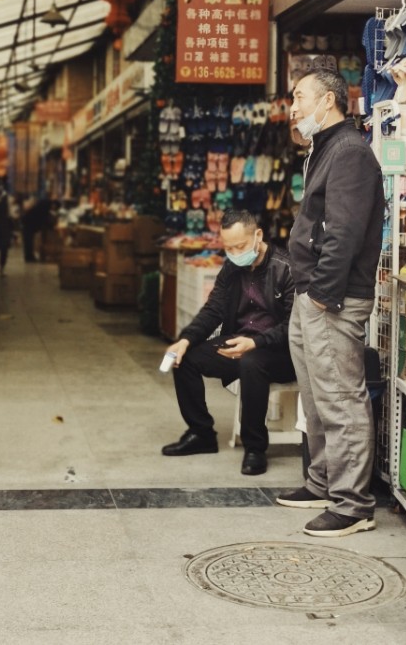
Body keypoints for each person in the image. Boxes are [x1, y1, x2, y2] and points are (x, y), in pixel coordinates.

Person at [277, 67, 384, 537]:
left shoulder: (349, 153)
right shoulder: (324, 149)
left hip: (332, 299)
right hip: (312, 294)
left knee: (340, 398)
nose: (293, 107)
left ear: (329, 101)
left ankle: (353, 504)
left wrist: (322, 293)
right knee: (317, 397)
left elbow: (344, 230)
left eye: (300, 97)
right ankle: (322, 481)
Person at [161, 209, 296, 475]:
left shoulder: (286, 268)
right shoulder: (233, 267)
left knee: (251, 362)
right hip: (239, 342)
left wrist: (256, 343)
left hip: (280, 352)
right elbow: (214, 310)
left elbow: (295, 326)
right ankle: (201, 434)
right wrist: (185, 339)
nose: (235, 253)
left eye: (241, 246)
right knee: (184, 359)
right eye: (229, 248)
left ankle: (255, 447)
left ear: (258, 235)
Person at [21, 196, 59, 263]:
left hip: (29, 222)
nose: (53, 209)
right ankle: (29, 257)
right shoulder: (46, 205)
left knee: (28, 241)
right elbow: (44, 217)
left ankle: (29, 257)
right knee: (28, 241)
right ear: (54, 205)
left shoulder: (45, 203)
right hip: (29, 223)